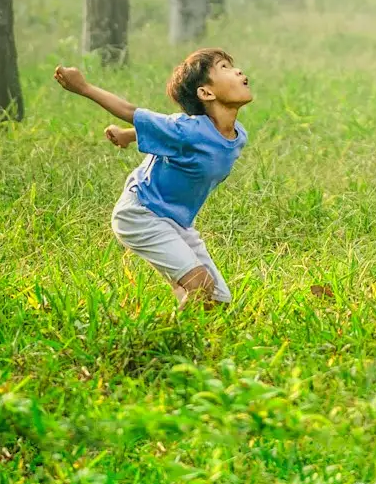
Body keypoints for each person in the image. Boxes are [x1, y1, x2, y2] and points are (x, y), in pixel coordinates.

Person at [54, 48, 253, 305]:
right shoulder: (187, 130)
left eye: (233, 66)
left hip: (177, 222)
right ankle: (159, 339)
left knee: (217, 300)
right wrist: (83, 87)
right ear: (206, 93)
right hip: (141, 213)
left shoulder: (238, 136)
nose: (237, 71)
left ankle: (184, 308)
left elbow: (170, 135)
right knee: (200, 287)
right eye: (224, 67)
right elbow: (131, 111)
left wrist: (127, 135)